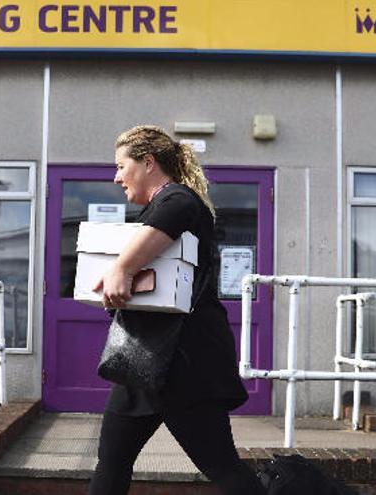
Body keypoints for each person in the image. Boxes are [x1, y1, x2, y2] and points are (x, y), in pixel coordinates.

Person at [89, 125, 264, 495]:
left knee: (220, 464)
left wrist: (122, 268)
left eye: (122, 166)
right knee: (112, 460)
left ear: (148, 163)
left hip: (187, 363)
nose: (116, 176)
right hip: (142, 360)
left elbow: (177, 211)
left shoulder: (179, 200)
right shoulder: (160, 206)